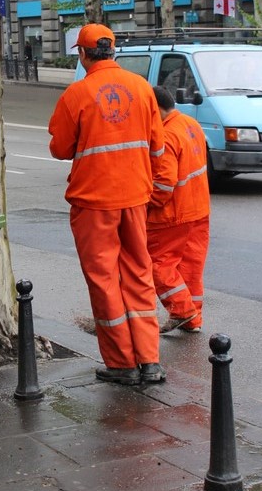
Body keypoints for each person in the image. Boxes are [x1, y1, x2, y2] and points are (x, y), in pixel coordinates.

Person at [48, 23, 166, 386]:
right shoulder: (142, 88)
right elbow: (158, 147)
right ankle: (150, 360)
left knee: (104, 281)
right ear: (113, 51)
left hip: (94, 202)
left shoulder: (77, 94)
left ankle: (121, 364)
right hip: (135, 198)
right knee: (139, 275)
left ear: (83, 55)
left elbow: (59, 148)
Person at [148, 86, 210, 333]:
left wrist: (145, 204)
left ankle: (182, 311)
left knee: (158, 265)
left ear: (155, 109)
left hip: (172, 215)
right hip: (198, 209)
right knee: (190, 267)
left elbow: (163, 184)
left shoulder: (165, 135)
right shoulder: (190, 123)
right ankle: (193, 319)